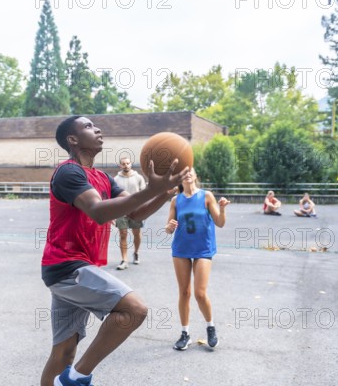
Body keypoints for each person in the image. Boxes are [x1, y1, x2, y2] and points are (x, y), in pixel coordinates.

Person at [40, 115, 189, 386]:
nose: (96, 129)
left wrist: (163, 193)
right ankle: (76, 378)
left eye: (95, 125)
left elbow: (133, 215)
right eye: (87, 126)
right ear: (72, 140)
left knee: (63, 351)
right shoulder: (68, 172)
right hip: (67, 266)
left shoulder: (104, 179)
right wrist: (151, 189)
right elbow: (97, 212)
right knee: (135, 309)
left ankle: (68, 375)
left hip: (76, 268)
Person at [165, 168, 230, 351]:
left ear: (195, 176)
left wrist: (222, 210)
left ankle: (210, 327)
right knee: (184, 292)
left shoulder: (206, 196)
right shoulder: (175, 200)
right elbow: (168, 229)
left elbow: (220, 222)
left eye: (190, 171)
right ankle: (185, 333)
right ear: (180, 178)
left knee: (200, 293)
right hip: (181, 249)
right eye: (183, 172)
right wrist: (169, 226)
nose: (187, 173)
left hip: (203, 248)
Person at [113, 156, 146, 269]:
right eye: (123, 164)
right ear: (120, 165)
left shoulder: (138, 178)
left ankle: (136, 253)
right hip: (121, 211)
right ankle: (124, 260)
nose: (126, 165)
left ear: (131, 164)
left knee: (136, 233)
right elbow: (113, 197)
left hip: (136, 210)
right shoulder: (116, 179)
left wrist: (143, 210)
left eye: (128, 163)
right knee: (123, 234)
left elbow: (143, 195)